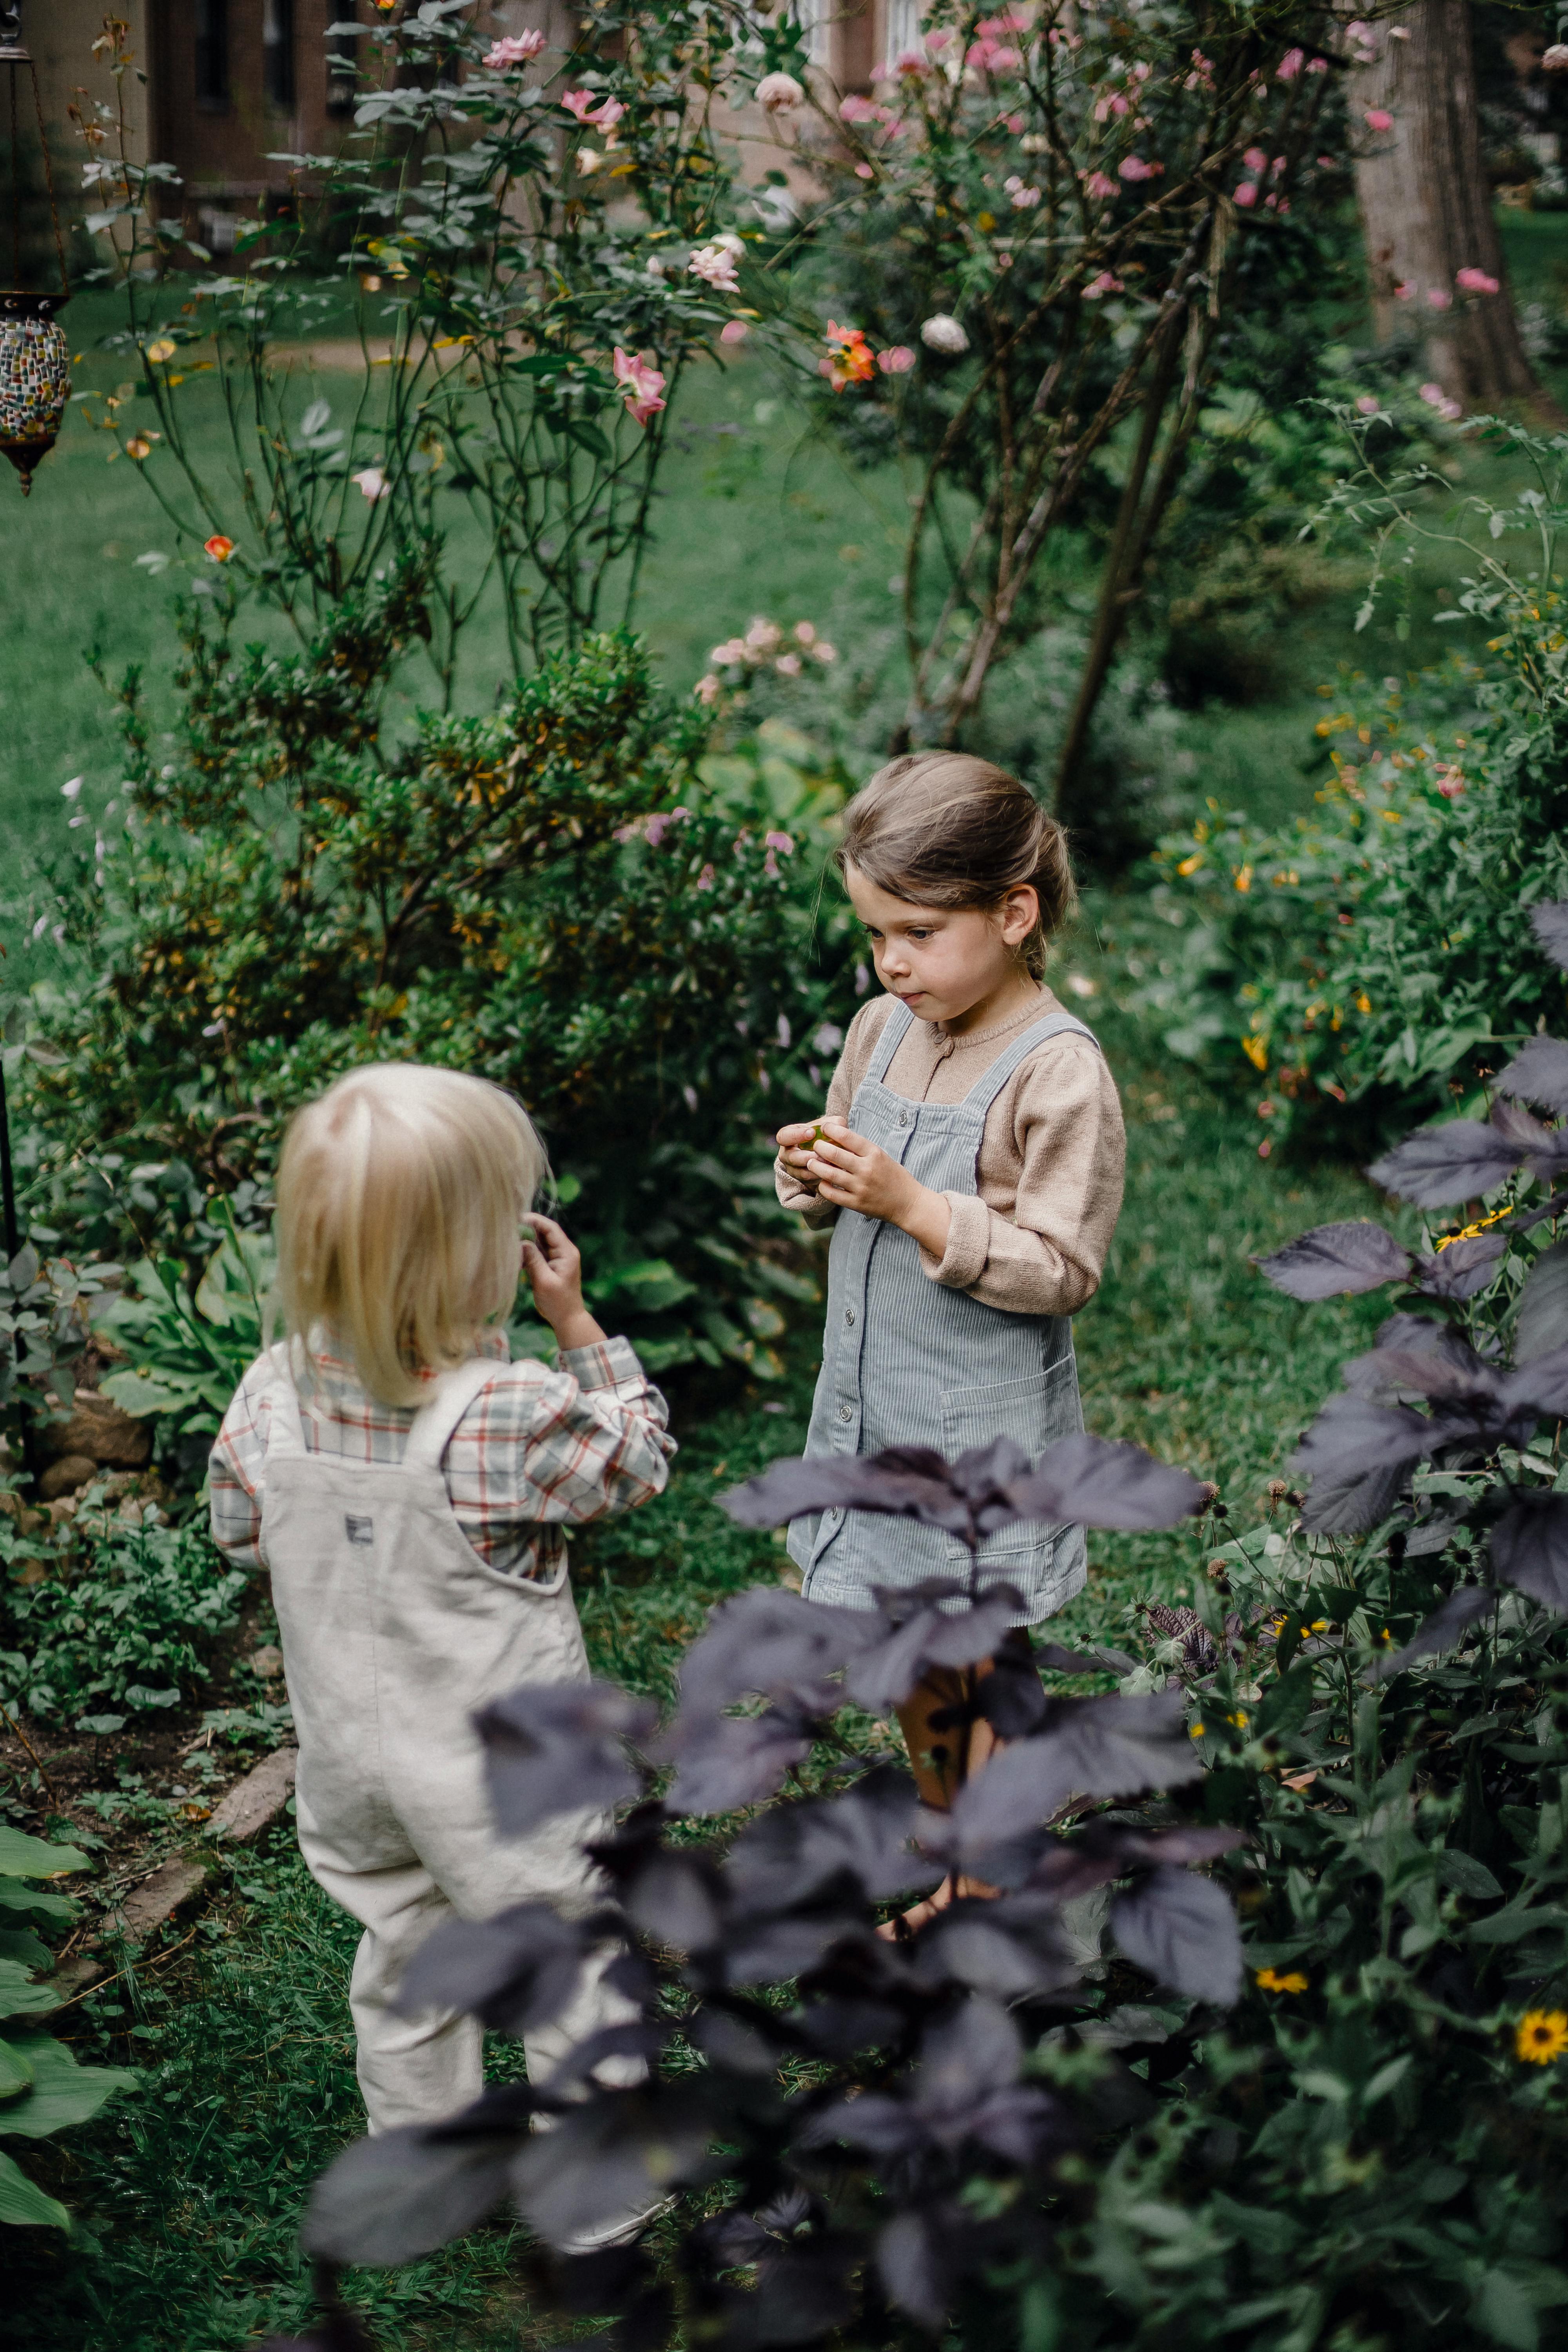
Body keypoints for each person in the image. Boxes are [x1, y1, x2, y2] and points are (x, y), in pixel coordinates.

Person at [210, 1063, 674, 2134]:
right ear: (480, 1263)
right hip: (501, 1777)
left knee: (407, 1949)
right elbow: (639, 1463)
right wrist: (579, 1326)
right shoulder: (507, 1413)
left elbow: (241, 1534)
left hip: (353, 1763)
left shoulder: (273, 1389)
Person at [774, 752, 1125, 1918]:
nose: (891, 960)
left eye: (919, 930)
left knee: (969, 1649)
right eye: (876, 932)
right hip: (875, 1404)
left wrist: (915, 1204)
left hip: (972, 1429)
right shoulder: (884, 1027)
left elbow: (1064, 1267)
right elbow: (850, 1168)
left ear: (1014, 913)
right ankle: (957, 1830)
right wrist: (816, 1174)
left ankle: (984, 1871)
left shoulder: (1056, 1070)